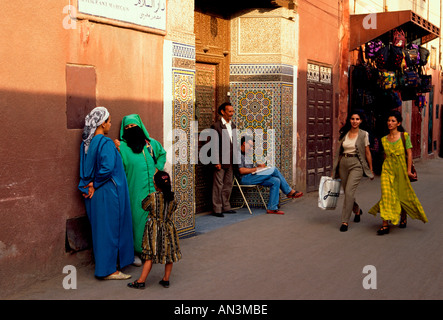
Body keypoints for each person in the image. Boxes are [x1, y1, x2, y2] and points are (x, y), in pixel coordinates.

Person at [78, 106, 134, 279]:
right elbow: (107, 168)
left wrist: (89, 185)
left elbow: (84, 170)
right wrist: (96, 183)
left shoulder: (86, 143)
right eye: (109, 121)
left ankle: (107, 266)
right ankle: (110, 271)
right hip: (108, 192)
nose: (110, 125)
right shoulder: (105, 142)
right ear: (102, 123)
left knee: (101, 231)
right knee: (110, 231)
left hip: (94, 195)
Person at [114, 114, 167, 262]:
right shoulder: (122, 147)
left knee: (154, 220)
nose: (131, 129)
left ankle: (153, 249)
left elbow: (162, 154)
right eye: (127, 127)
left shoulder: (151, 144)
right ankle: (136, 252)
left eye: (133, 126)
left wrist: (158, 167)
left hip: (154, 191)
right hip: (134, 191)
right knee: (137, 221)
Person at [368, 110, 428, 235]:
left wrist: (409, 170)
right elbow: (385, 156)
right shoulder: (384, 139)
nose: (390, 123)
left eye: (393, 121)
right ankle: (385, 224)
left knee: (402, 194)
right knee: (386, 195)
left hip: (401, 169)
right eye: (389, 120)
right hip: (387, 169)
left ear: (398, 123)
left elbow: (410, 153)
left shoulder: (404, 136)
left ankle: (403, 215)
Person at [128, 171, 182, 289]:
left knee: (149, 256)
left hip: (154, 230)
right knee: (169, 255)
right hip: (168, 228)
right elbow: (174, 208)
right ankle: (166, 279)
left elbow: (144, 206)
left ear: (156, 185)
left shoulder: (152, 197)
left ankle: (141, 281)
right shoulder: (173, 198)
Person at [332, 110, 374, 232]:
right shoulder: (344, 133)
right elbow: (338, 153)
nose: (354, 121)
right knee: (347, 193)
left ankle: (345, 221)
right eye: (352, 119)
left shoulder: (364, 134)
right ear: (349, 120)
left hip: (357, 164)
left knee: (349, 192)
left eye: (357, 119)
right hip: (343, 164)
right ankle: (357, 210)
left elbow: (367, 152)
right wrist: (334, 169)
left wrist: (370, 169)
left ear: (361, 121)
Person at [238, 136, 303, 215]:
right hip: (245, 179)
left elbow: (253, 167)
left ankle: (272, 208)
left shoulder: (248, 155)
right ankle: (288, 191)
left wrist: (259, 165)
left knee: (276, 181)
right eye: (251, 146)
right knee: (274, 170)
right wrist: (256, 169)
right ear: (244, 143)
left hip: (253, 176)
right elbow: (241, 170)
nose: (251, 148)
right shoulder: (238, 154)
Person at [210, 102, 238, 217]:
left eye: (232, 111)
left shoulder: (233, 126)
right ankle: (217, 208)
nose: (232, 114)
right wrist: (216, 161)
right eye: (229, 111)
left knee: (227, 184)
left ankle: (226, 206)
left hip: (230, 160)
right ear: (223, 112)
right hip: (221, 161)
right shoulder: (216, 126)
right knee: (218, 185)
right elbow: (213, 145)